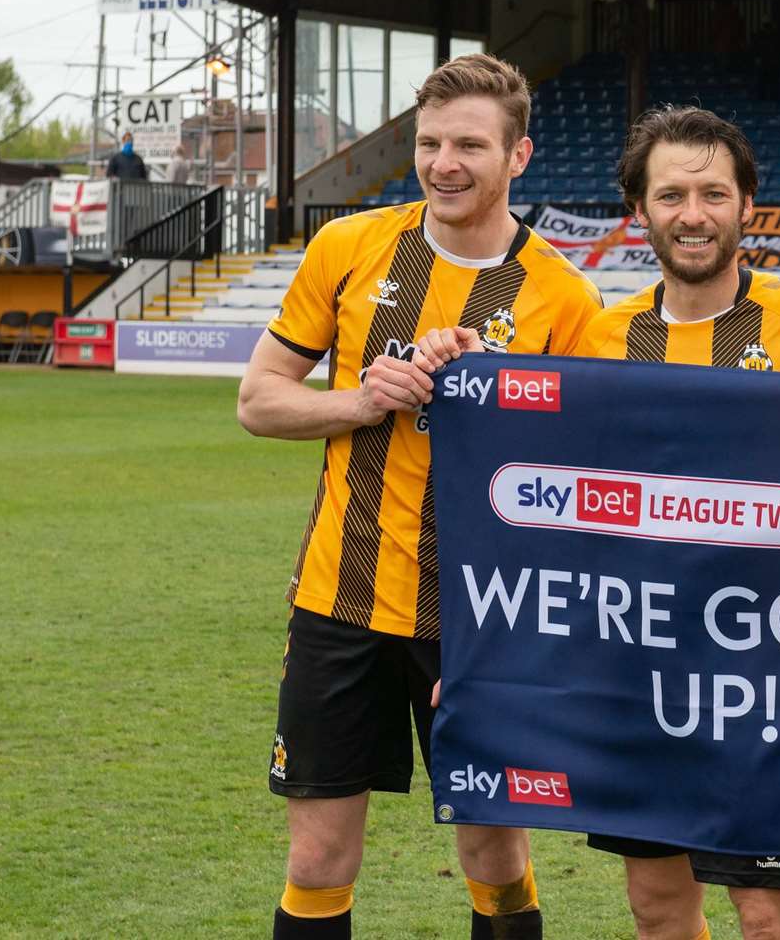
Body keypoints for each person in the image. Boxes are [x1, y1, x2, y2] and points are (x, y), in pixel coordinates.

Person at [412, 105, 780, 940]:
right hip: (639, 672)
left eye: (713, 194)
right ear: (640, 212)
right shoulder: (601, 337)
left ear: (747, 207)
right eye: (671, 196)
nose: (693, 214)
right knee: (658, 906)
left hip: (762, 676)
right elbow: (543, 517)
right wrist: (482, 660)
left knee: (767, 912)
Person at [236, 53, 602, 940]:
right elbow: (258, 401)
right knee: (319, 859)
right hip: (341, 601)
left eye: (469, 145)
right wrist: (364, 398)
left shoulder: (564, 295)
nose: (444, 162)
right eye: (430, 142)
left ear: (517, 156)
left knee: (494, 857)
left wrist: (499, 400)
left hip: (481, 620)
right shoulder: (351, 248)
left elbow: (579, 482)